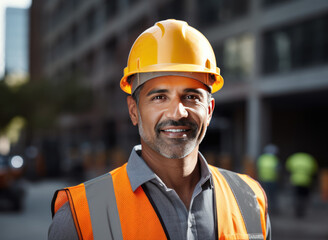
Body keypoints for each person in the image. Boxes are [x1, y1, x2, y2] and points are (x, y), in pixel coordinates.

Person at [49, 19, 271, 240]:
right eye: (160, 97)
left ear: (210, 110)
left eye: (191, 97)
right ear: (134, 111)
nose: (177, 112)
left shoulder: (250, 199)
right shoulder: (80, 216)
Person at [286, 152, 318, 218]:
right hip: (306, 181)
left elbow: (288, 167)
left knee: (296, 196)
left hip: (295, 180)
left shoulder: (294, 158)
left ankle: (296, 210)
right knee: (304, 197)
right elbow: (314, 170)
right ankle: (302, 211)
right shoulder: (309, 159)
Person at [257, 144, 280, 213]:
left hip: (262, 179)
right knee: (272, 196)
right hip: (272, 180)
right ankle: (272, 210)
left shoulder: (261, 158)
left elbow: (257, 168)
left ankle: (263, 209)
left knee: (263, 195)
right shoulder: (275, 159)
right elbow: (278, 170)